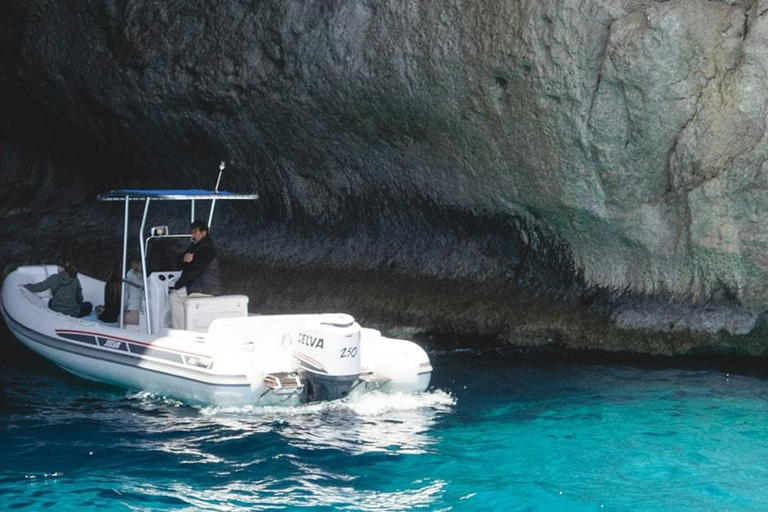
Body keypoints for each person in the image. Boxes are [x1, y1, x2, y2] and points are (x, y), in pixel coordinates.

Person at [169, 220, 221, 329]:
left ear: (204, 232)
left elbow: (193, 269)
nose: (192, 235)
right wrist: (184, 259)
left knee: (174, 297)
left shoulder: (207, 249)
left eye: (195, 232)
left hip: (204, 287)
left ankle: (180, 329)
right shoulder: (195, 246)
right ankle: (184, 327)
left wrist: (177, 286)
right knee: (177, 294)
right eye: (191, 232)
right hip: (199, 284)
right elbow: (179, 262)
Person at [24, 258, 93, 318]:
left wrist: (26, 286)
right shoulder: (75, 279)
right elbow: (80, 298)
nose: (57, 267)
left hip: (56, 309)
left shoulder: (54, 278)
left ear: (63, 268)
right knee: (88, 305)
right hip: (72, 312)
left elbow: (40, 287)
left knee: (51, 301)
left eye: (59, 266)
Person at [123, 258, 143, 325]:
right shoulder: (142, 278)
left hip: (133, 309)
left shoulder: (130, 277)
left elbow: (125, 294)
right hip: (138, 309)